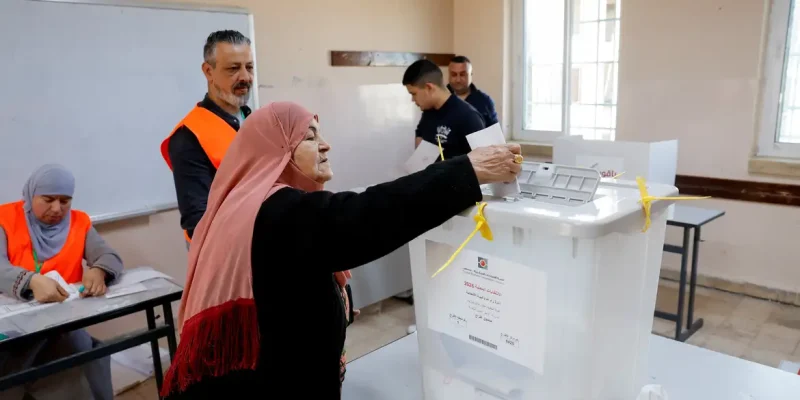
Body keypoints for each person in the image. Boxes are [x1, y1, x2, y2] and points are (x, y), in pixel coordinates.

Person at [159, 102, 522, 399]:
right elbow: (369, 216)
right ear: (276, 151)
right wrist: (469, 171)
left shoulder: (242, 207)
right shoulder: (277, 211)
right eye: (310, 136)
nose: (326, 144)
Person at [0, 164, 124, 400]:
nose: (57, 209)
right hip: (15, 327)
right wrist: (30, 281)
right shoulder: (5, 218)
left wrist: (99, 270)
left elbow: (110, 256)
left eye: (65, 201)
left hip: (61, 323)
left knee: (80, 351)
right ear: (30, 194)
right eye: (48, 199)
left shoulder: (78, 222)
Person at [160, 30, 254, 244]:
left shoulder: (253, 120)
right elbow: (198, 222)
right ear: (208, 71)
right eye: (233, 69)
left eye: (249, 67)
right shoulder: (188, 136)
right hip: (226, 252)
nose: (245, 77)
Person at [404, 59, 486, 158]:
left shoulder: (469, 117)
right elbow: (420, 134)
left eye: (414, 94)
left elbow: (485, 162)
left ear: (429, 88)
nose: (412, 99)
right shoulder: (428, 111)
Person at [447, 55, 499, 127]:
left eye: (462, 74)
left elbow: (495, 135)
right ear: (449, 75)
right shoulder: (439, 98)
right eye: (454, 75)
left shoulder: (484, 101)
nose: (458, 80)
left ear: (471, 75)